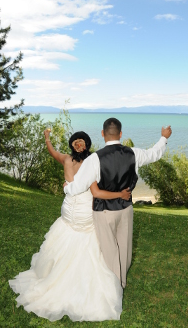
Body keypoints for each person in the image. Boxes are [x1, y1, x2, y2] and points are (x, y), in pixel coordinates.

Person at [9, 130, 131, 322]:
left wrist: (47, 138)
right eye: (77, 142)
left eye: (80, 142)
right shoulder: (92, 163)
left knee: (67, 239)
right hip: (83, 213)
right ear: (81, 145)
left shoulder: (66, 159)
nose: (79, 145)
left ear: (84, 144)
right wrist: (120, 194)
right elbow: (99, 192)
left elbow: (52, 152)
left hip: (69, 211)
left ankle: (56, 276)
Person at [64, 118, 172, 289]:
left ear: (102, 134)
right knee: (125, 248)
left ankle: (114, 287)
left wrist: (67, 188)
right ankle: (121, 281)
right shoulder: (134, 153)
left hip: (104, 211)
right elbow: (154, 154)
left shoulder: (94, 159)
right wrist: (164, 138)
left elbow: (78, 186)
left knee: (109, 251)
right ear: (120, 134)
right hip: (126, 209)